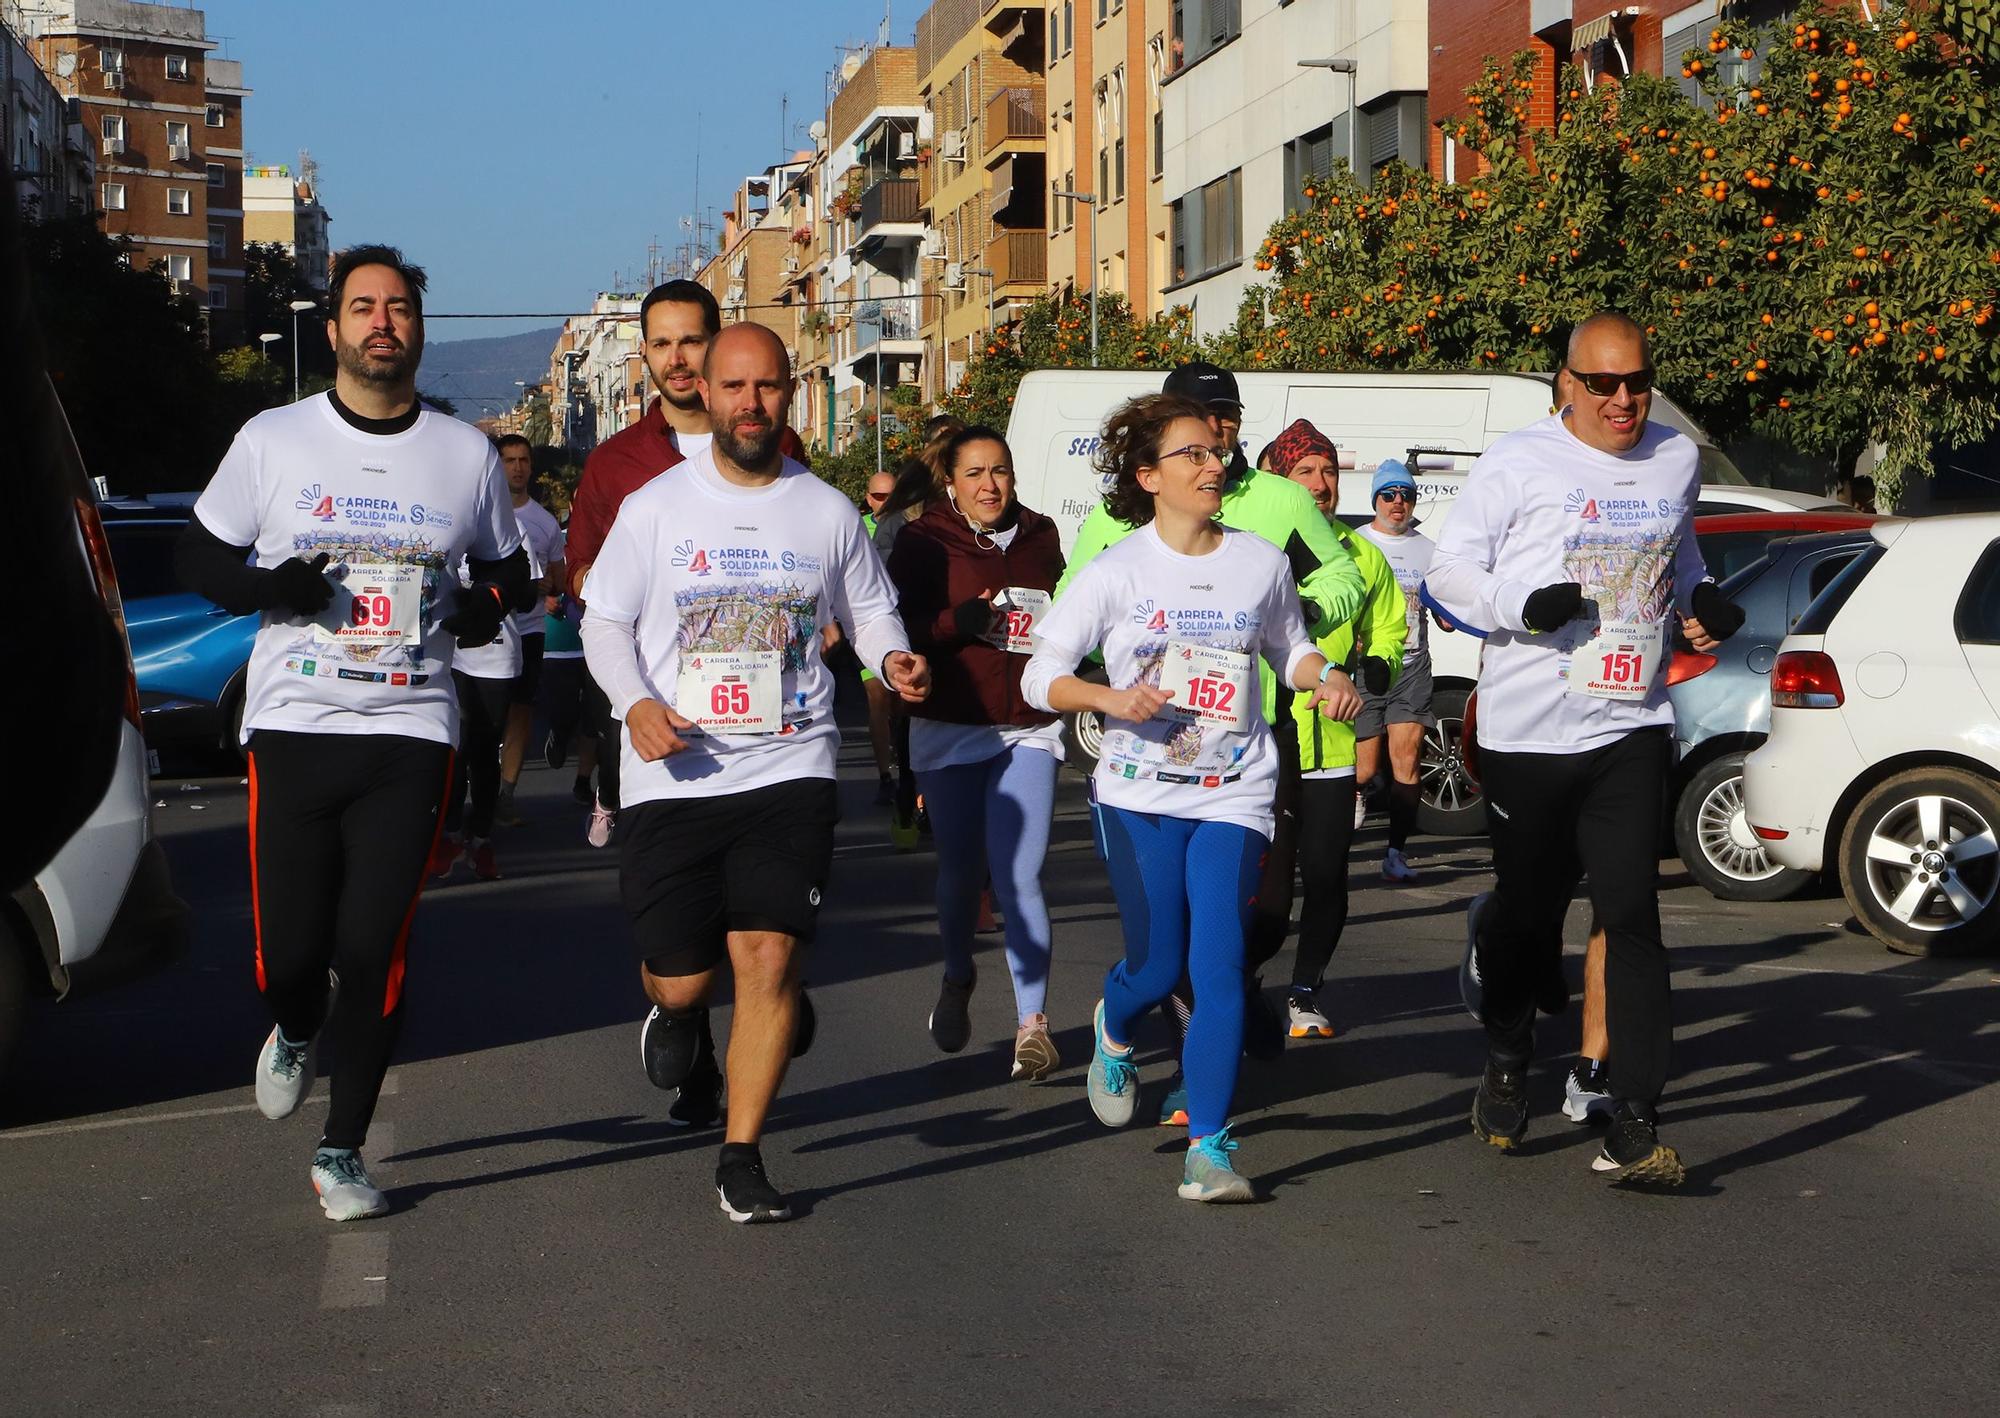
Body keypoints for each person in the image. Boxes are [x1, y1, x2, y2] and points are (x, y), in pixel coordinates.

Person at [174, 244, 529, 1221]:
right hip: (294, 722)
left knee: (374, 946)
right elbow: (196, 553)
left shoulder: (462, 454)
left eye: (400, 307)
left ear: (419, 328)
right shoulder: (274, 439)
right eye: (363, 307)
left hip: (410, 728)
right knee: (290, 957)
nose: (383, 321)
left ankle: (342, 1149)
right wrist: (267, 587)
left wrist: (476, 607)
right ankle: (293, 1026)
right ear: (332, 329)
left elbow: (513, 577)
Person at [580, 323, 930, 1223]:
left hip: (790, 763)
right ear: (707, 392)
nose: (749, 404)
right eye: (734, 387)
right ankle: (681, 1013)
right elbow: (602, 624)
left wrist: (894, 662)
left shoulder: (825, 510)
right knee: (685, 975)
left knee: (768, 960)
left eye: (767, 388)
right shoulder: (657, 505)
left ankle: (741, 1157)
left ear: (787, 394)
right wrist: (635, 704)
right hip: (677, 771)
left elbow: (872, 611)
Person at [1423, 312, 1743, 1185]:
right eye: (1602, 383)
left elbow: (1675, 560)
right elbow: (1447, 571)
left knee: (1631, 913)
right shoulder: (1518, 461)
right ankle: (1508, 1053)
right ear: (1567, 382)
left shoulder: (1674, 459)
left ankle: (1634, 1118)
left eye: (1636, 381)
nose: (1623, 399)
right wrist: (1525, 602)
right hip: (1531, 727)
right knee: (1529, 916)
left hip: (1630, 722)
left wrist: (1700, 605)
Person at [1023, 392, 1362, 1203]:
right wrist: (1109, 700)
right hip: (1138, 794)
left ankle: (1208, 1148)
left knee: (1215, 965)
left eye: (1216, 451)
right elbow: (1042, 676)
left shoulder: (1260, 562)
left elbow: (1290, 648)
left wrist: (1328, 676)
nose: (1215, 465)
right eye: (1194, 455)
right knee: (1157, 964)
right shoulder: (1117, 569)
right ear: (1149, 476)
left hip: (1234, 791)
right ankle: (1114, 1022)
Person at [564, 280, 812, 850]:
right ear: (645, 353)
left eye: (691, 341)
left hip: (761, 691)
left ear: (716, 344)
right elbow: (578, 570)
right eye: (660, 344)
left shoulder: (779, 442)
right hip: (651, 687)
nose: (675, 359)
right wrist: (618, 583)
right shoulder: (614, 462)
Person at [888, 425, 1066, 1079]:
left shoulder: (1043, 535)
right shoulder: (924, 540)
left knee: (1020, 875)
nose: (990, 485)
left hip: (1028, 725)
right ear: (952, 483)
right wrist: (951, 624)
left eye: (1000, 472)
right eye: (975, 474)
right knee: (962, 874)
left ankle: (1032, 1025)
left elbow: (1063, 613)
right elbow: (895, 627)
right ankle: (958, 975)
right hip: (953, 724)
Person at [1262, 420, 1407, 1040]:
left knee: (1325, 874)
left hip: (1331, 743)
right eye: (1306, 473)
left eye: (1329, 471)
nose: (1321, 485)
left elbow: (1391, 627)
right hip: (1263, 742)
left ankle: (1304, 992)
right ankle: (1234, 983)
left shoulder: (1361, 555)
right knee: (1266, 886)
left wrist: (1380, 663)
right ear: (1282, 481)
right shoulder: (1256, 551)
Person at [1354, 459, 1440, 882]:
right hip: (1367, 667)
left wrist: (1448, 613)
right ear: (1376, 500)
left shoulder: (1427, 549)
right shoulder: (1356, 544)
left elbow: (1443, 603)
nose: (1398, 503)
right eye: (1389, 495)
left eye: (1406, 495)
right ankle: (1352, 803)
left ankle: (1395, 853)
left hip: (1412, 665)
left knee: (1406, 763)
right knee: (1364, 769)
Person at [492, 433, 565, 826]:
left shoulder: (545, 522)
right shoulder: (482, 512)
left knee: (521, 710)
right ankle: (479, 783)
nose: (517, 468)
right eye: (509, 460)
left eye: (523, 460)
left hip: (530, 629)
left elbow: (558, 578)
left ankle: (507, 791)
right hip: (488, 630)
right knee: (485, 715)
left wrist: (546, 587)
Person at [859, 469, 900, 803]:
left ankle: (906, 762)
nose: (884, 504)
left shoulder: (907, 526)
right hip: (865, 626)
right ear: (867, 497)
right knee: (877, 697)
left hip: (903, 623)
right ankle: (885, 773)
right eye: (878, 496)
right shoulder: (858, 527)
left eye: (891, 496)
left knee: (902, 703)